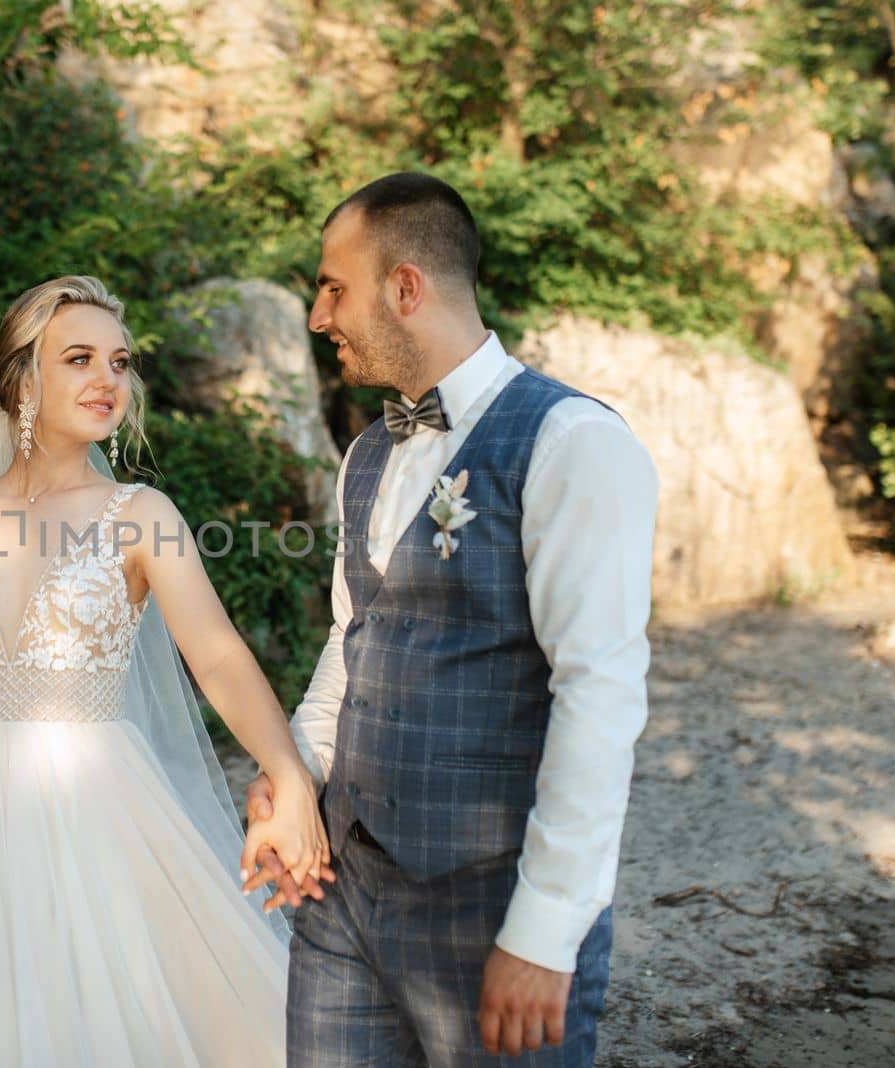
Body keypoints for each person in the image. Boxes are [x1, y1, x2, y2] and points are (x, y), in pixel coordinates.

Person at [241, 173, 658, 1066]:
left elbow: (600, 695)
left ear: (405, 288)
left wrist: (544, 933)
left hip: (491, 902)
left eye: (332, 287)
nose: (320, 317)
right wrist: (297, 773)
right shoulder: (365, 455)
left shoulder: (573, 442)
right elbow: (351, 646)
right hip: (340, 897)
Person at [0, 275, 331, 1066]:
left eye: (120, 362)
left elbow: (216, 655)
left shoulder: (142, 515)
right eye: (79, 358)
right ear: (20, 379)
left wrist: (287, 772)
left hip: (90, 811)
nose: (108, 379)